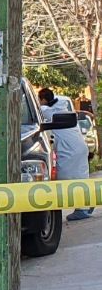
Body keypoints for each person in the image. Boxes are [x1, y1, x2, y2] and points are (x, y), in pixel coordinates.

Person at [38, 88, 94, 221]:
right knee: (80, 178)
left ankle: (82, 209)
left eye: (39, 100)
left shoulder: (47, 111)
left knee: (67, 179)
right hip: (79, 147)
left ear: (44, 100)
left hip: (69, 151)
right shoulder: (63, 106)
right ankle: (88, 203)